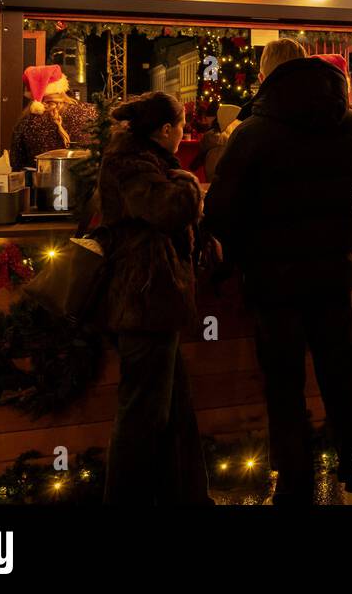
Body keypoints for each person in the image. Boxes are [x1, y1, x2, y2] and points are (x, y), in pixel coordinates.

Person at [204, 42, 352, 505]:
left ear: (267, 76)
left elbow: (222, 212)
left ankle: (294, 490)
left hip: (273, 281)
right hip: (334, 276)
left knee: (284, 391)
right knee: (343, 384)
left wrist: (244, 247)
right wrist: (347, 228)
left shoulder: (250, 133)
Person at [97, 91, 210, 504]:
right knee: (143, 414)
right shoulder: (131, 163)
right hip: (143, 301)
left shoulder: (141, 158)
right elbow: (166, 209)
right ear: (166, 130)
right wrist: (189, 185)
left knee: (172, 410)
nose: (184, 135)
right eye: (181, 127)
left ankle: (189, 495)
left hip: (155, 303)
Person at [9, 64, 98, 170]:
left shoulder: (25, 122)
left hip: (43, 183)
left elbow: (16, 164)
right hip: (88, 183)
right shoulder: (90, 111)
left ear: (30, 93)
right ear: (62, 87)